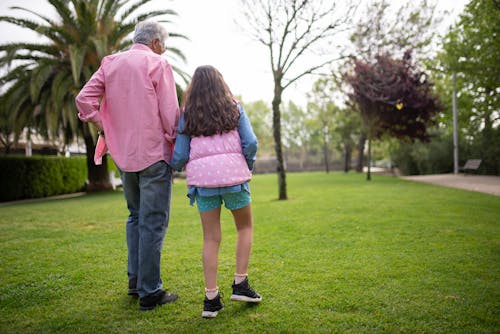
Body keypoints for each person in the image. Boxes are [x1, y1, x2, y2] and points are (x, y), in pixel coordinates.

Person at [75, 21, 180, 311]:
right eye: (165, 43)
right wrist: (177, 147)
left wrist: (102, 126)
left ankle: (136, 282)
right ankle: (150, 292)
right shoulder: (158, 63)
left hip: (123, 157)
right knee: (152, 223)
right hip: (154, 156)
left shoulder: (110, 63)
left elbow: (83, 99)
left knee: (135, 217)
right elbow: (170, 117)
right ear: (157, 42)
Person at [170, 65, 262, 318]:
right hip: (235, 179)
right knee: (245, 228)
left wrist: (174, 167)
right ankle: (240, 284)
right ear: (221, 84)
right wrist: (248, 164)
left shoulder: (188, 114)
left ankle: (211, 299)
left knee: (211, 238)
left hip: (204, 184)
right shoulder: (234, 107)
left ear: (194, 88)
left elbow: (178, 154)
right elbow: (251, 142)